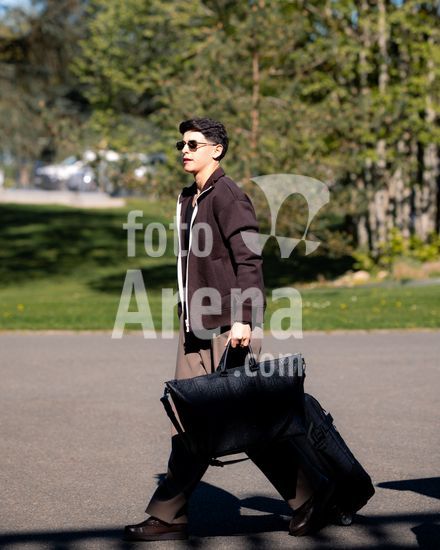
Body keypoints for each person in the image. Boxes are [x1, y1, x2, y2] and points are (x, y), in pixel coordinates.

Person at [124, 118, 332, 542]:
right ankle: (170, 515)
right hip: (195, 327)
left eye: (193, 144)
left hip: (228, 325)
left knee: (249, 425)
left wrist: (245, 318)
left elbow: (249, 260)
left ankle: (311, 497)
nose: (185, 150)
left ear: (216, 150)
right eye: (181, 144)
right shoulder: (189, 197)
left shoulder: (229, 196)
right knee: (188, 424)